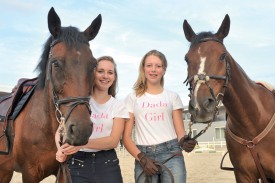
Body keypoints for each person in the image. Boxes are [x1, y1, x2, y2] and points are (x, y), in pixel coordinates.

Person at [122, 50, 197, 183]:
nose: (153, 70)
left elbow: (180, 132)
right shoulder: (132, 98)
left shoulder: (172, 97)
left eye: (158, 66)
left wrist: (184, 142)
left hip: (172, 153)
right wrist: (142, 158)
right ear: (143, 68)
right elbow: (126, 137)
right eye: (149, 65)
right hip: (143, 155)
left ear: (164, 70)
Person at [55, 56, 129, 183]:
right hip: (78, 164)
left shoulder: (118, 106)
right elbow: (60, 132)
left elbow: (113, 141)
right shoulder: (79, 102)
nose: (105, 76)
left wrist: (81, 144)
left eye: (110, 72)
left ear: (114, 77)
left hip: (107, 165)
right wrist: (60, 149)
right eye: (100, 71)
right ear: (93, 73)